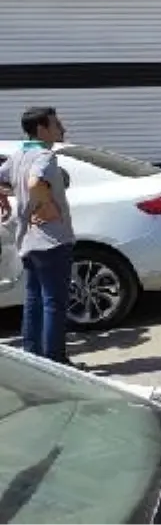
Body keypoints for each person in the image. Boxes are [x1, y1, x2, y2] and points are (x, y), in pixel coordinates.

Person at [0, 107, 75, 366]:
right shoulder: (44, 156)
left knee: (34, 300)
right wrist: (47, 205)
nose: (62, 129)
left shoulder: (18, 155)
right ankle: (56, 361)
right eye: (56, 124)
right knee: (54, 303)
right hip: (51, 241)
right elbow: (34, 183)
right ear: (42, 129)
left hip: (28, 242)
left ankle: (34, 359)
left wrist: (4, 197)